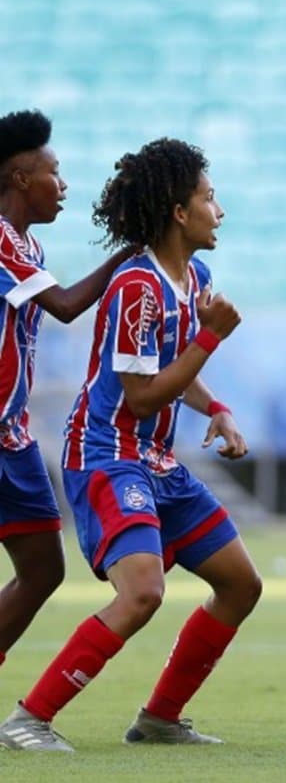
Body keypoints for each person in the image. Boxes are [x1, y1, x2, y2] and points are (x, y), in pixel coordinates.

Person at [0, 137, 262, 751]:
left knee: (242, 584)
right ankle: (28, 719)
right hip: (107, 456)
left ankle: (159, 719)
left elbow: (174, 367)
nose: (218, 210)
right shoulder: (137, 286)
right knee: (142, 591)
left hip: (156, 462)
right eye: (209, 197)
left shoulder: (194, 275)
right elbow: (141, 396)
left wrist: (216, 408)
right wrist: (213, 338)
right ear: (178, 211)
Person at [0, 109, 135, 691]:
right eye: (55, 173)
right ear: (22, 177)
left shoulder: (28, 248)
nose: (64, 185)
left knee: (44, 568)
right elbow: (65, 306)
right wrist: (129, 253)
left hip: (12, 435)